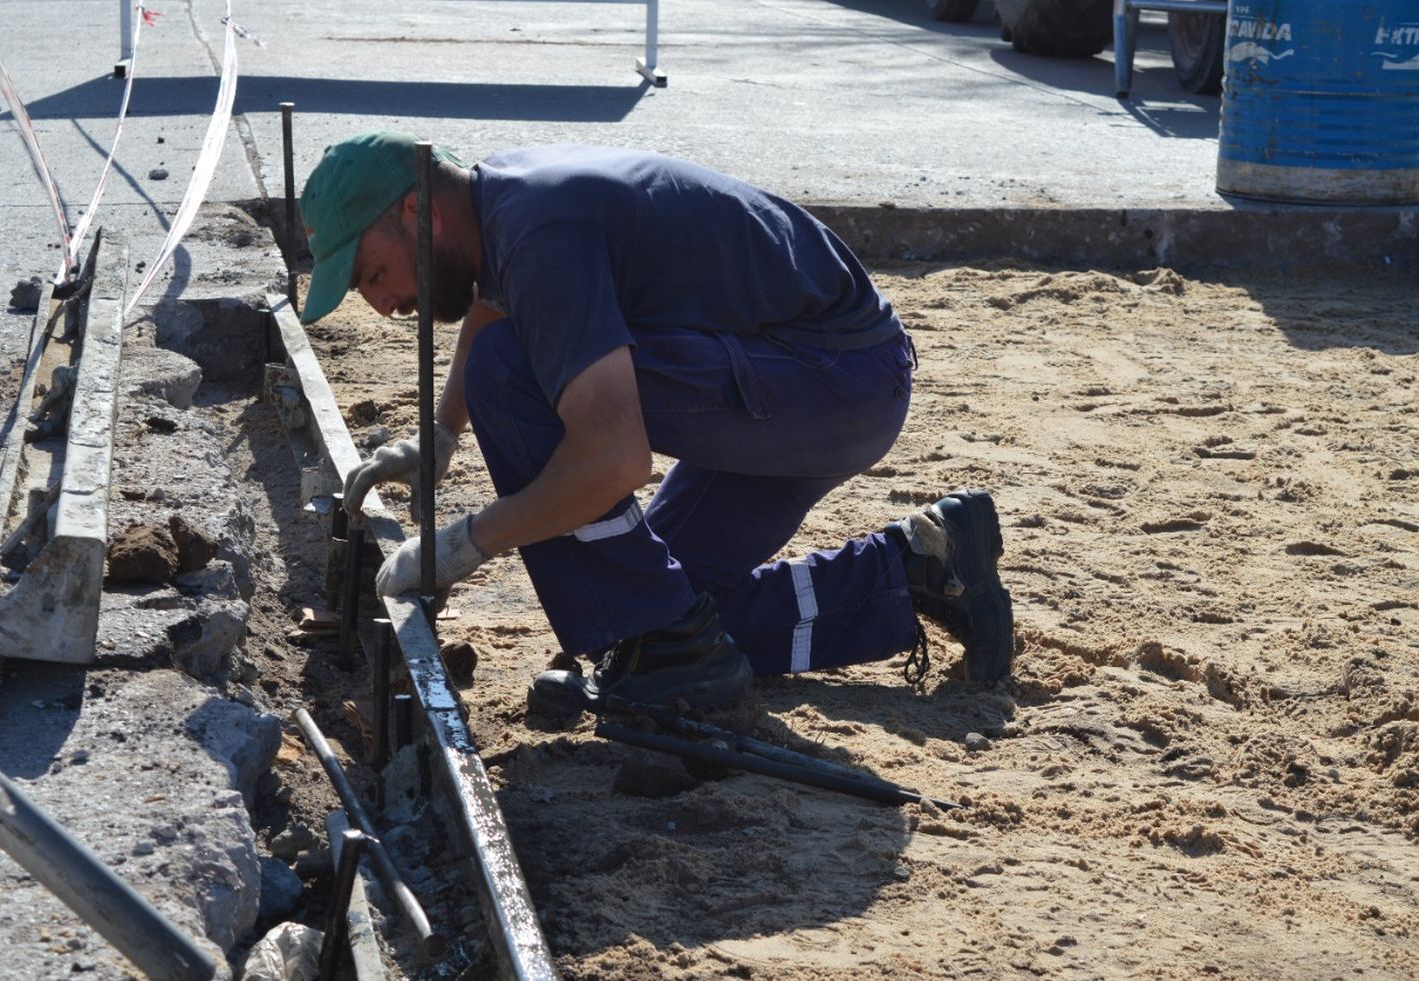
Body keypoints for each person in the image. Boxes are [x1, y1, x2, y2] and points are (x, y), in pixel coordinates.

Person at [298, 131, 1015, 718]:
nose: (382, 304)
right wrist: (441, 436)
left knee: (508, 374)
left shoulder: (541, 228)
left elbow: (613, 459)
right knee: (677, 614)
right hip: (820, 374)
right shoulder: (500, 200)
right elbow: (496, 297)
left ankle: (649, 640)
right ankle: (922, 566)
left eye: (371, 274)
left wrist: (462, 545)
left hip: (830, 380)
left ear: (421, 211)